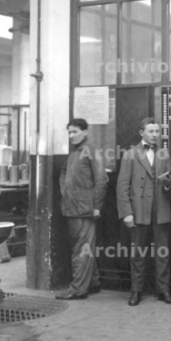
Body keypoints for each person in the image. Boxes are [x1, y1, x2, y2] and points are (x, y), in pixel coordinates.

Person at [117, 117, 171, 306]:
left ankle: (163, 290)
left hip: (160, 210)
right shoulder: (130, 154)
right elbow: (122, 186)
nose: (154, 135)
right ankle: (136, 291)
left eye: (157, 131)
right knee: (137, 253)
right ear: (141, 132)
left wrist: (168, 183)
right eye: (151, 131)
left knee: (162, 253)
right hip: (138, 211)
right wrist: (127, 212)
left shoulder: (164, 154)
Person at [56, 118, 108, 300]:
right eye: (69, 132)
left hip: (85, 210)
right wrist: (66, 192)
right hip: (72, 208)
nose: (71, 135)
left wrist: (96, 207)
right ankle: (93, 283)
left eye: (75, 132)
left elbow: (102, 180)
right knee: (84, 248)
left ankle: (77, 289)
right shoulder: (74, 153)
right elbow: (64, 175)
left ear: (85, 132)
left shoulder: (92, 151)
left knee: (81, 250)